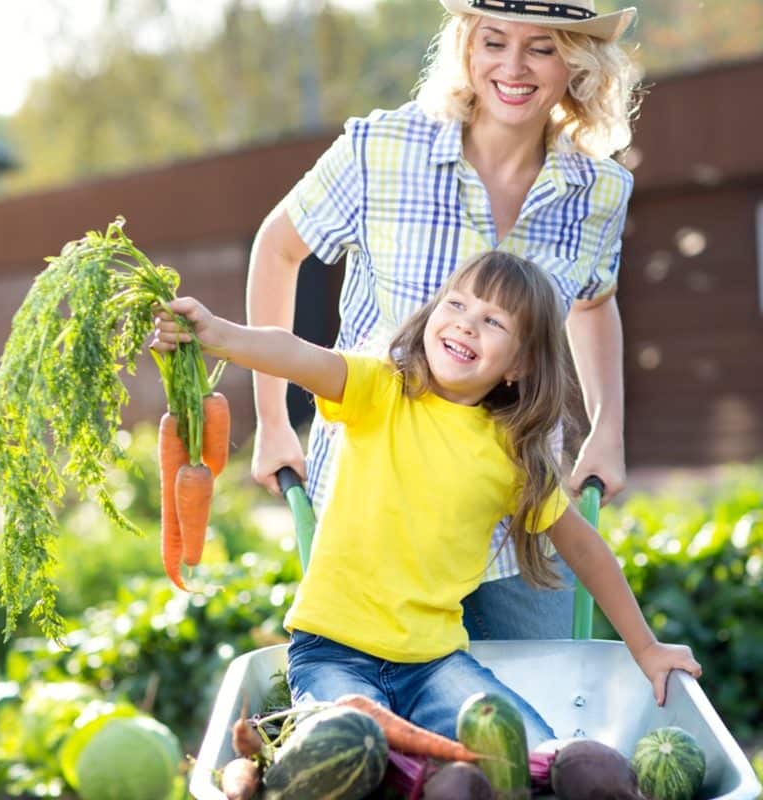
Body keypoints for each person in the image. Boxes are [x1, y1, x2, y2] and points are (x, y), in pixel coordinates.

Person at [152, 251, 701, 744]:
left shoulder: (511, 455)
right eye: (457, 304)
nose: (466, 323)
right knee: (342, 750)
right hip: (332, 654)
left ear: (520, 365)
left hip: (434, 664)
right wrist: (218, 334)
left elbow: (585, 550)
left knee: (529, 750)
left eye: (493, 321)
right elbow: (295, 353)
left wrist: (647, 648)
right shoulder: (381, 390)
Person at [244, 0, 642, 641]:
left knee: (532, 719)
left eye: (540, 47)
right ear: (466, 49)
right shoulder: (381, 149)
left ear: (577, 62)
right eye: (493, 41)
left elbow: (595, 301)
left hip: (516, 515)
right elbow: (278, 248)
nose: (513, 67)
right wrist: (271, 421)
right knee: (389, 718)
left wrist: (608, 430)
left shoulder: (598, 192)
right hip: (378, 514)